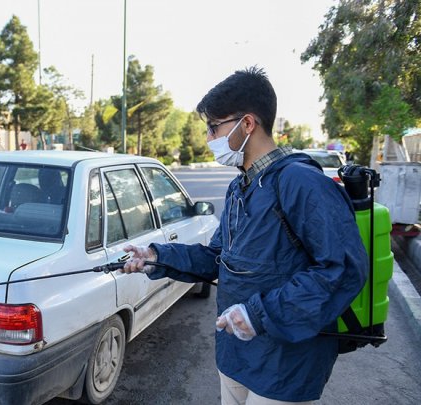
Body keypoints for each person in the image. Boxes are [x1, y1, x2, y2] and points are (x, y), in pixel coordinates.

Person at [120, 67, 368, 404]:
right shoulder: (240, 186)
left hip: (285, 367)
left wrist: (258, 314)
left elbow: (342, 270)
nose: (209, 138)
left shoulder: (301, 183)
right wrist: (157, 256)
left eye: (214, 127)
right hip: (235, 355)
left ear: (247, 124)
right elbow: (219, 259)